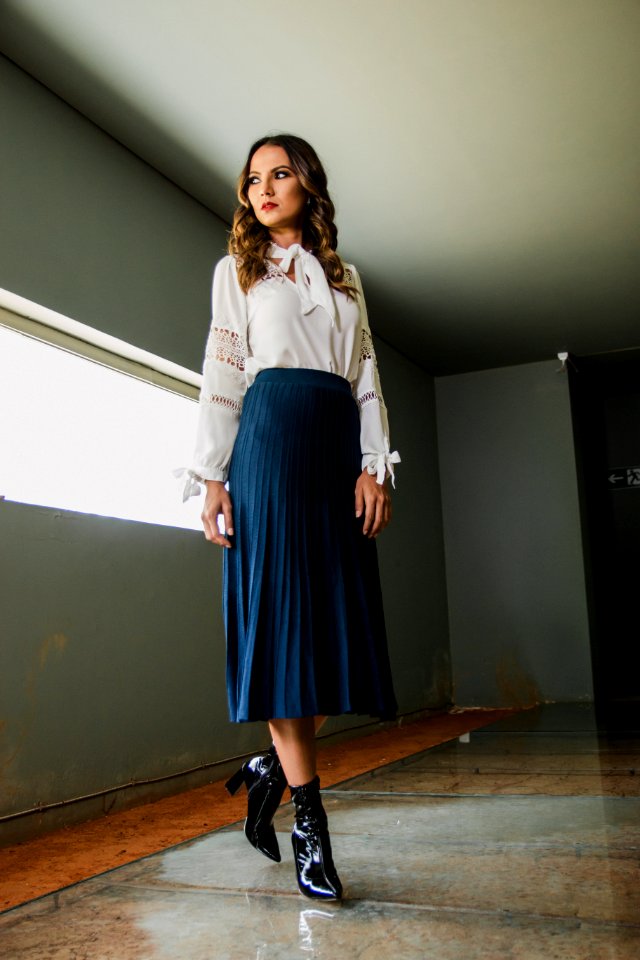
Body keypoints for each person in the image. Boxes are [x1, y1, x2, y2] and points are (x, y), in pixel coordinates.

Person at [180, 133, 400, 901]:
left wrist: (374, 464)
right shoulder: (236, 271)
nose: (263, 189)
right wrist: (212, 477)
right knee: (281, 638)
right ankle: (311, 826)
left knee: (329, 640)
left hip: (334, 444)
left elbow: (367, 371)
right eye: (252, 179)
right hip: (269, 446)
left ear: (307, 185)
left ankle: (269, 766)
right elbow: (222, 371)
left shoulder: (346, 278)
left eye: (279, 175)